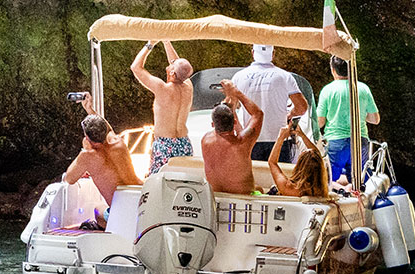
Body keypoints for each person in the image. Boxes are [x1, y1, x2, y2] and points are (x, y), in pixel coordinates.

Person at [230, 44, 309, 161]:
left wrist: (240, 130)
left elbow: (229, 108)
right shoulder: (285, 76)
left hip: (251, 138)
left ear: (252, 53)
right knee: (278, 177)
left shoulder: (238, 77)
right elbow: (302, 107)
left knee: (255, 178)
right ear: (273, 54)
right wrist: (290, 114)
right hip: (279, 139)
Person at [61, 112, 137, 227]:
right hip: (139, 202)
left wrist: (84, 150)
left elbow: (69, 179)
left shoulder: (88, 156)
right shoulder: (118, 142)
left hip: (121, 212)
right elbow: (108, 128)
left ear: (87, 137)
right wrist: (89, 109)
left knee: (98, 209)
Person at [131, 39, 194, 174]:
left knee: (158, 184)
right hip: (184, 143)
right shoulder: (188, 87)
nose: (169, 64)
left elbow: (135, 67)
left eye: (172, 65)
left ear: (172, 73)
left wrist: (150, 44)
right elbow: (180, 67)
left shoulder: (162, 88)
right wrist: (166, 41)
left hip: (165, 145)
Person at [315, 56, 380, 184]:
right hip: (359, 142)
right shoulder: (363, 88)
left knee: (326, 181)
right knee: (361, 183)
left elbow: (320, 122)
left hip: (335, 142)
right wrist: (360, 114)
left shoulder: (327, 90)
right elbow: (375, 119)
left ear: (333, 70)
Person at [201, 81, 264, 194]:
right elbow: (258, 114)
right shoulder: (242, 143)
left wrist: (230, 105)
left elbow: (229, 129)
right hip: (244, 198)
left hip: (215, 196)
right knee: (259, 189)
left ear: (213, 124)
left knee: (258, 188)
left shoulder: (205, 140)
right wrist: (236, 92)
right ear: (234, 121)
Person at [267, 118, 330, 198]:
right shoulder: (321, 191)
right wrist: (302, 135)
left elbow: (272, 162)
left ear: (300, 165)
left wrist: (281, 137)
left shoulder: (288, 187)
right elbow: (317, 156)